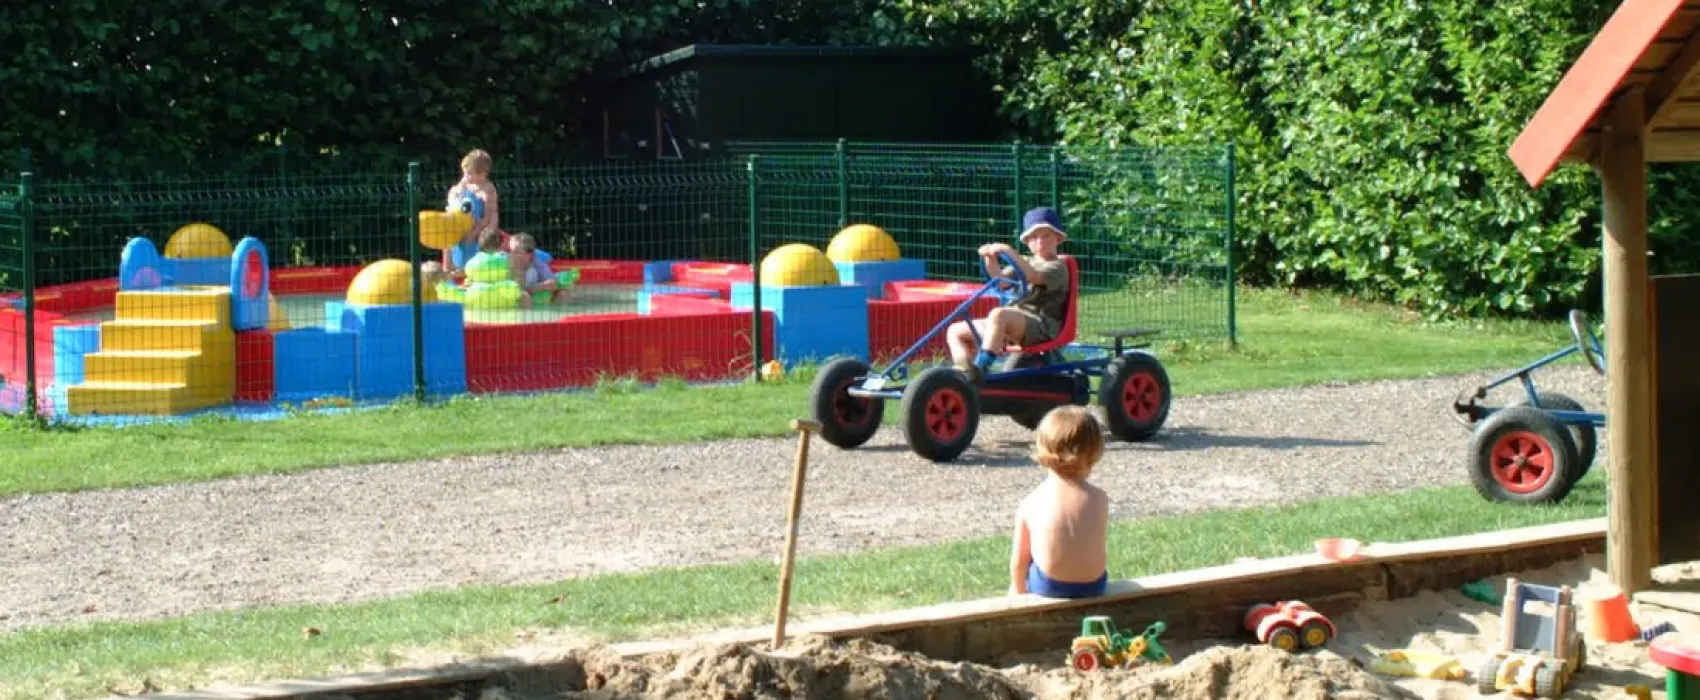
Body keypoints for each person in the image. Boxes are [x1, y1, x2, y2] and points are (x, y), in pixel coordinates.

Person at [947, 206, 1071, 379]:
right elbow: (1001, 282)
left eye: (1046, 236)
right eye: (1034, 237)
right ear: (1027, 241)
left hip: (1041, 325)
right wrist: (990, 258)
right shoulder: (1026, 261)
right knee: (955, 330)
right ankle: (964, 371)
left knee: (999, 314)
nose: (1040, 242)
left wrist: (1007, 250)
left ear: (1058, 238)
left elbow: (1033, 276)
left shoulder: (1057, 267)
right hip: (1015, 320)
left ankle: (981, 368)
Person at [1008, 406, 1110, 599]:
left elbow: (1019, 561)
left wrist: (1017, 590)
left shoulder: (1032, 502)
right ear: (1094, 453)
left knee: (1031, 564)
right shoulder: (1100, 498)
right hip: (1095, 584)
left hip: (1050, 585)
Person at [444, 149, 503, 279]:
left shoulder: (487, 189)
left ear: (482, 175)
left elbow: (488, 216)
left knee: (482, 239)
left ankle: (470, 270)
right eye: (464, 172)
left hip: (482, 224)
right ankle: (448, 267)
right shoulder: (466, 182)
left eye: (469, 173)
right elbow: (455, 195)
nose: (466, 176)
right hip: (465, 222)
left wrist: (476, 232)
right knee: (447, 237)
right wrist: (455, 193)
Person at [507, 233, 564, 307]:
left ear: (531, 254)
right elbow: (518, 290)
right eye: (510, 251)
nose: (511, 255)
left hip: (536, 297)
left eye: (516, 252)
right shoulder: (507, 265)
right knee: (524, 296)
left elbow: (553, 283)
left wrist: (550, 284)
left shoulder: (537, 264)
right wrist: (540, 287)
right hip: (515, 299)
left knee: (562, 294)